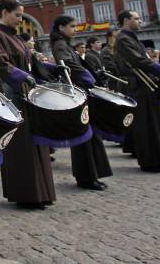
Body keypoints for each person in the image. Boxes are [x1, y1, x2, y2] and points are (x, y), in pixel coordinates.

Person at [0, 0, 63, 210]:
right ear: (3, 13)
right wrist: (20, 76)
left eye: (21, 15)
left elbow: (33, 61)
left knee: (35, 144)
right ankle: (27, 193)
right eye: (17, 15)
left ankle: (41, 192)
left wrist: (55, 70)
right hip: (16, 97)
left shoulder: (17, 38)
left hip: (29, 96)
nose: (20, 19)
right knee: (23, 147)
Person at [49, 15, 112, 191]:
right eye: (72, 26)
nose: (75, 29)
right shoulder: (60, 45)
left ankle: (91, 175)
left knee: (89, 135)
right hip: (78, 92)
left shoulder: (64, 44)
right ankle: (87, 177)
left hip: (81, 91)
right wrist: (88, 78)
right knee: (84, 136)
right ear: (61, 28)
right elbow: (66, 64)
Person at [114, 11, 160, 173]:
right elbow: (137, 60)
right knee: (146, 124)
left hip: (144, 83)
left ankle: (159, 158)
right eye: (137, 19)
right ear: (126, 20)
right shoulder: (123, 39)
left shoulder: (130, 37)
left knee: (154, 123)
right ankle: (150, 161)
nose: (140, 21)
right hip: (138, 84)